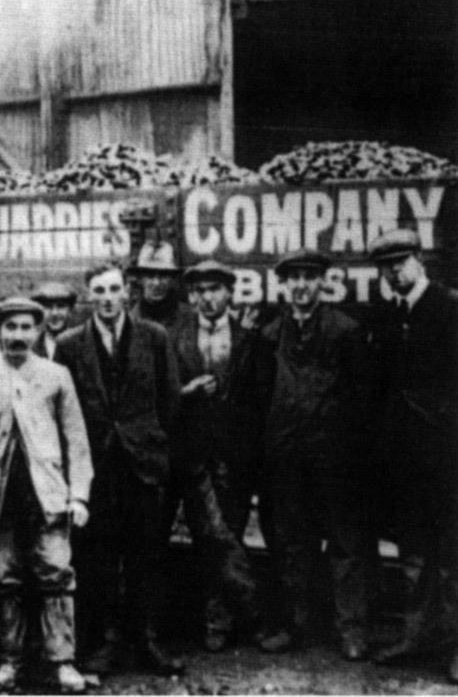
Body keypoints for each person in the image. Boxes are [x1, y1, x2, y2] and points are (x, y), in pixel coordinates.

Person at [0, 297, 92, 693]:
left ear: (39, 331)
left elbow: (77, 442)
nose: (17, 335)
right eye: (10, 328)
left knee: (56, 572)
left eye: (26, 327)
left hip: (46, 495)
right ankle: (9, 660)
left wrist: (78, 496)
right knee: (3, 576)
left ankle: (62, 661)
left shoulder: (56, 375)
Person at [55, 263, 184, 676]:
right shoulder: (70, 343)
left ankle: (148, 641)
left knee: (147, 555)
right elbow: (63, 410)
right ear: (89, 294)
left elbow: (170, 402)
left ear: (127, 292)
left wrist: (152, 446)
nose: (107, 298)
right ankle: (105, 643)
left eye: (114, 289)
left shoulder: (155, 337)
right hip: (94, 468)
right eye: (99, 290)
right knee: (98, 558)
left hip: (142, 465)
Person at [251, 250, 371, 659]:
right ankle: (299, 626)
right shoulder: (270, 334)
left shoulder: (345, 330)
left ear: (323, 282)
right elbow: (261, 398)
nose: (301, 286)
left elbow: (360, 400)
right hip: (287, 459)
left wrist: (347, 451)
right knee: (292, 544)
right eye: (294, 278)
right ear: (284, 285)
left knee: (344, 545)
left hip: (334, 460)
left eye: (309, 277)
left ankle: (350, 630)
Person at [366, 230, 458, 683]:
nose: (393, 272)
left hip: (447, 455)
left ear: (420, 260)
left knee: (453, 554)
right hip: (403, 459)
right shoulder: (386, 315)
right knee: (414, 555)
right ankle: (417, 637)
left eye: (400, 262)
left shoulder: (449, 307)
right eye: (385, 266)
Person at [174, 261, 262, 652]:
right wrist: (186, 393)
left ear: (230, 293)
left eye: (215, 289)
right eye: (200, 290)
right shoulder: (174, 337)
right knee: (211, 534)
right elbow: (162, 392)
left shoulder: (250, 339)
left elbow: (261, 397)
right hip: (193, 454)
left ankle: (220, 622)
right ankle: (255, 613)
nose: (207, 298)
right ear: (192, 296)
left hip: (237, 456)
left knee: (230, 531)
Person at [129, 241, 190, 345]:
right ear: (140, 279)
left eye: (163, 275)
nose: (156, 283)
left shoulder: (189, 317)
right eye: (150, 276)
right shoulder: (130, 322)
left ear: (172, 279)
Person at [31, 281, 77, 359]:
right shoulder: (31, 346)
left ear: (70, 310)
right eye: (48, 307)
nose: (54, 313)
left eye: (61, 306)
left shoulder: (82, 345)